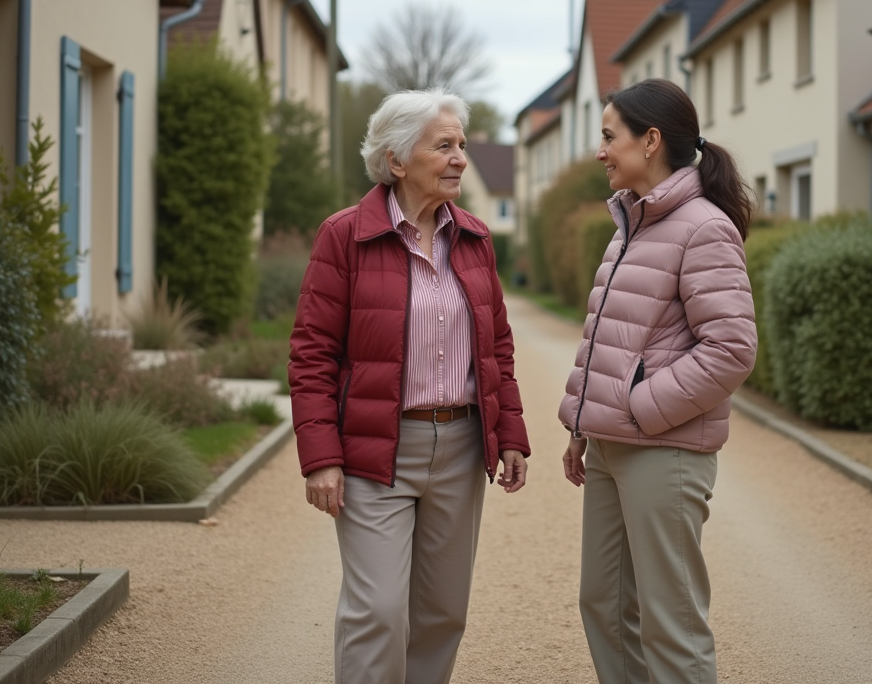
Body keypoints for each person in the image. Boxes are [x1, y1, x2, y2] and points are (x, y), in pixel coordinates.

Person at [289, 88, 530, 684]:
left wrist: (511, 435)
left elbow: (497, 345)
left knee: (442, 614)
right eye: (443, 146)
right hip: (377, 450)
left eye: (462, 146)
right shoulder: (344, 236)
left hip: (461, 444)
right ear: (397, 161)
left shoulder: (473, 238)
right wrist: (321, 459)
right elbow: (312, 354)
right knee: (378, 610)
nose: (459, 159)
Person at [559, 78, 757, 684]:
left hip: (665, 450)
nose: (600, 151)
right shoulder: (630, 225)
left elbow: (731, 348)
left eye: (608, 135)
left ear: (649, 141)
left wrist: (639, 408)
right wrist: (585, 427)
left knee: (672, 626)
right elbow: (612, 338)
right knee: (606, 606)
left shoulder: (703, 227)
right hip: (614, 447)